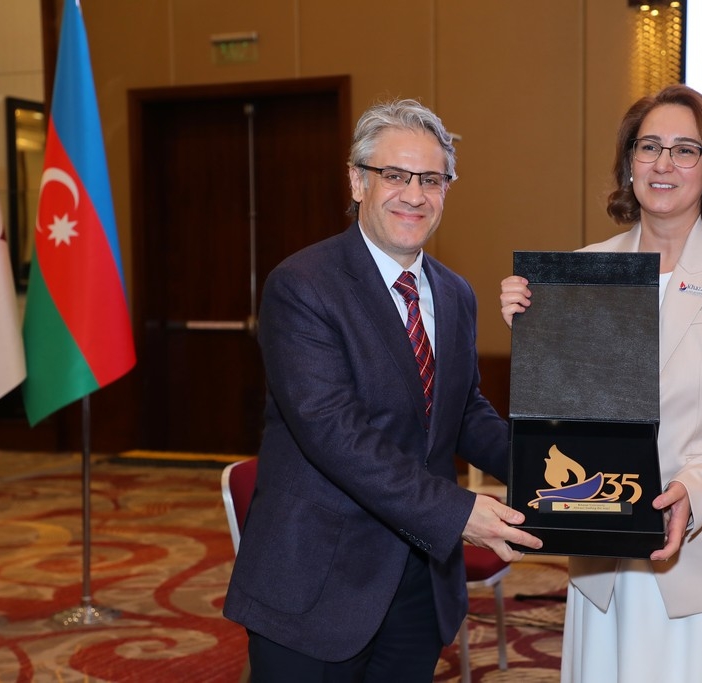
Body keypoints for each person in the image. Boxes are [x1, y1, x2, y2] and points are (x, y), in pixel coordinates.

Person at [500, 84, 702, 682]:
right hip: (610, 554)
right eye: (649, 147)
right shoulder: (583, 269)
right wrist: (533, 331)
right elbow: (571, 411)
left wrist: (696, 487)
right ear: (629, 163)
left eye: (685, 150)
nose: (663, 163)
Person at [224, 98, 542, 682]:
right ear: (357, 181)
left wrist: (550, 469)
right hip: (317, 584)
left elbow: (463, 412)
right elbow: (335, 434)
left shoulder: (455, 293)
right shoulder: (301, 286)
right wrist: (457, 513)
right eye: (395, 175)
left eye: (431, 179)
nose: (414, 195)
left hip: (419, 580)